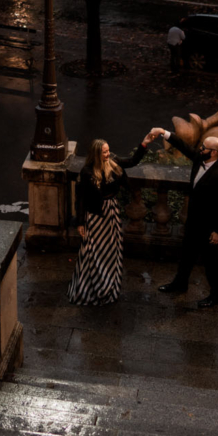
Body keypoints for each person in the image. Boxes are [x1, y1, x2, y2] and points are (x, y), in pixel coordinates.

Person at [67, 130, 159, 306]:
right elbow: (81, 200)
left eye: (108, 150)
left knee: (111, 251)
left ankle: (109, 287)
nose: (108, 154)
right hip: (95, 216)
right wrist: (80, 223)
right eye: (104, 152)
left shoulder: (113, 162)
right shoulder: (87, 172)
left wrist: (144, 143)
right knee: (92, 252)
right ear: (96, 154)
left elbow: (132, 161)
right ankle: (91, 289)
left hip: (111, 212)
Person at [158, 130, 218, 308]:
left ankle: (217, 295)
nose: (200, 149)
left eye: (204, 148)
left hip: (208, 227)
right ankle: (180, 283)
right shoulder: (200, 159)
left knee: (211, 262)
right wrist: (164, 133)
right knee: (186, 255)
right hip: (193, 222)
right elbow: (184, 147)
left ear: (214, 152)